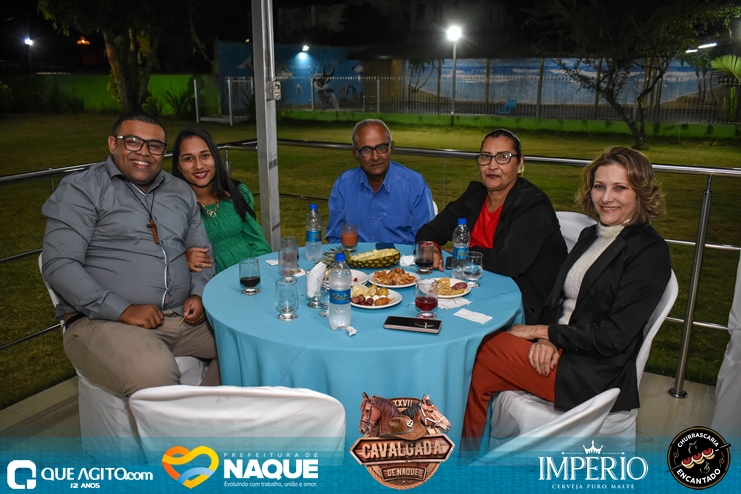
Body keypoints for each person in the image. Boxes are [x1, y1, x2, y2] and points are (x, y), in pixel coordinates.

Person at [461, 146, 671, 451]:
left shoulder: (649, 252)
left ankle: (463, 457)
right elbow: (557, 300)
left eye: (620, 188)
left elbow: (613, 337)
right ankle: (469, 456)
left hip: (593, 372)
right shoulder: (593, 235)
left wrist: (541, 332)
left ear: (641, 192)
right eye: (599, 186)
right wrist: (547, 340)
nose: (606, 197)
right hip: (563, 349)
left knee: (482, 350)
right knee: (482, 367)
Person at [41, 112, 220, 398]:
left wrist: (198, 294)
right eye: (133, 142)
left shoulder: (179, 191)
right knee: (154, 372)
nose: (144, 152)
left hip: (180, 317)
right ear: (113, 144)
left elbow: (204, 254)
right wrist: (122, 309)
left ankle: (208, 412)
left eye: (154, 146)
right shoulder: (82, 189)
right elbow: (59, 265)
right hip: (101, 322)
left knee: (251, 343)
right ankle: (185, 422)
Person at [415, 128, 567, 324]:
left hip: (523, 306)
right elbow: (430, 230)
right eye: (486, 157)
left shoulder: (533, 205)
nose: (492, 166)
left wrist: (461, 253)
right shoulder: (475, 195)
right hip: (473, 293)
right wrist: (431, 246)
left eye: (503, 157)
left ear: (520, 163)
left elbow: (509, 263)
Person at [172, 127, 271, 273]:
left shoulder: (237, 193)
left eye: (205, 155)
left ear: (215, 158)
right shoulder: (173, 208)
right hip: (209, 282)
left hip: (250, 276)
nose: (199, 165)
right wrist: (182, 259)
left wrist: (258, 273)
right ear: (179, 165)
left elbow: (258, 242)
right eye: (188, 158)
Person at [325, 119, 435, 245]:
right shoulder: (343, 185)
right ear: (355, 154)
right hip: (354, 256)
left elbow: (425, 241)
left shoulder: (415, 185)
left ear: (391, 148)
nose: (375, 157)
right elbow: (335, 238)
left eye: (381, 147)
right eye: (366, 150)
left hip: (404, 257)